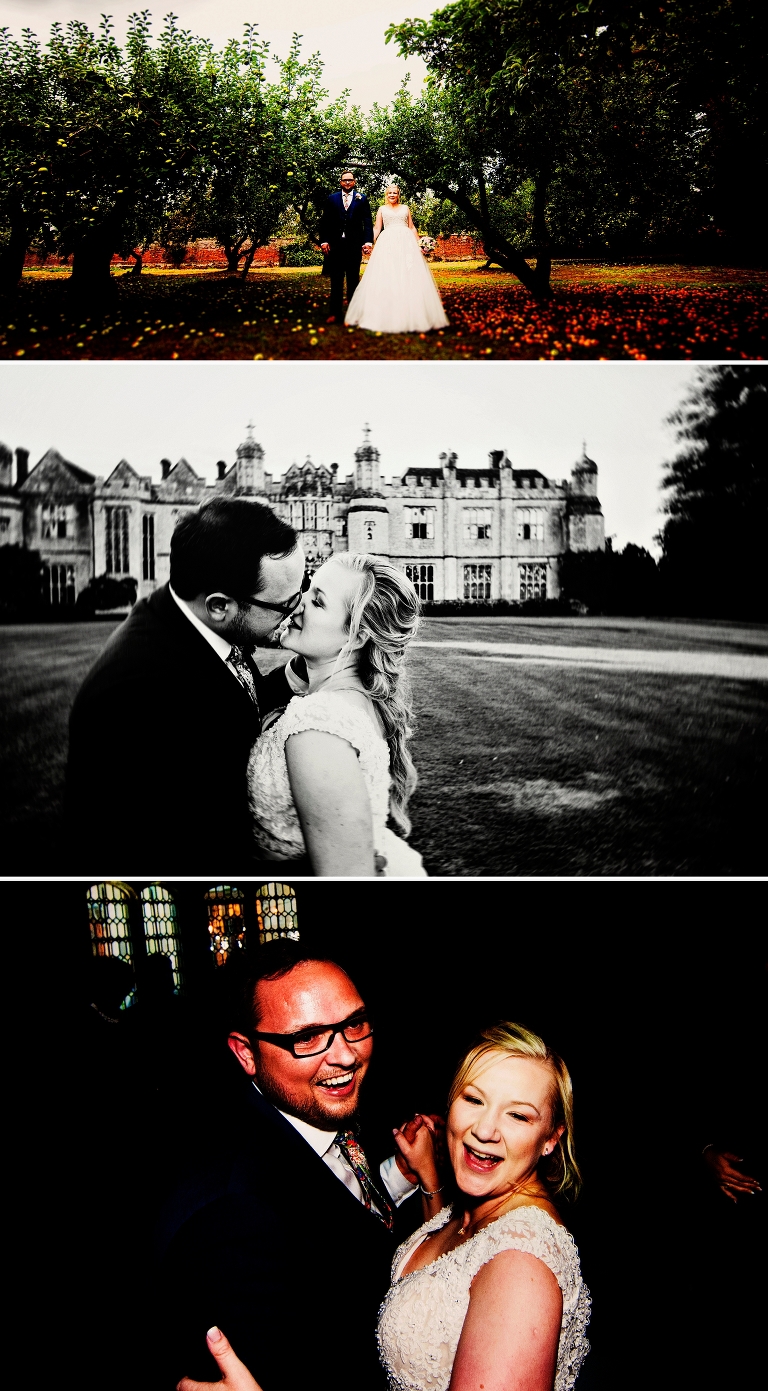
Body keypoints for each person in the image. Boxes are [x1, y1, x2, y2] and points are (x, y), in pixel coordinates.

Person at [177, 1017, 591, 1391]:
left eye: (518, 1116)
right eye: (474, 1099)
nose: (485, 1129)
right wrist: (428, 1178)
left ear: (552, 1138)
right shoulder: (477, 1208)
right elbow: (448, 1268)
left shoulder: (521, 1267)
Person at [160, 946, 424, 1391]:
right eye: (307, 1037)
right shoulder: (237, 1218)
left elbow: (333, 1208)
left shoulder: (318, 1114)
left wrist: (399, 1175)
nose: (345, 1057)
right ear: (246, 1054)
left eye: (354, 1024)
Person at [63, 499, 307, 872]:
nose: (299, 609)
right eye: (285, 604)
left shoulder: (196, 620)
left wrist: (297, 673)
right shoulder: (139, 697)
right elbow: (192, 848)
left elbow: (239, 698)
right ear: (220, 605)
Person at [247, 552, 426, 876]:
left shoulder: (318, 726)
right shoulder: (351, 699)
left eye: (318, 602)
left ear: (356, 636)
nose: (297, 604)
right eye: (307, 589)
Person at [345, 182, 448, 334]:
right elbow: (377, 228)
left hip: (406, 243)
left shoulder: (405, 208)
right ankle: (386, 314)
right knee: (388, 274)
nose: (392, 195)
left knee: (408, 274)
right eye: (390, 193)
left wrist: (420, 243)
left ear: (398, 194)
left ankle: (412, 315)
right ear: (386, 195)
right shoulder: (381, 209)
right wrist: (368, 243)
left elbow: (411, 227)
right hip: (387, 243)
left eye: (395, 192)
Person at [319, 167, 374, 322]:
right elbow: (325, 221)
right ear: (340, 182)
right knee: (336, 280)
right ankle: (335, 314)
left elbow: (367, 222)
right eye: (345, 180)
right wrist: (324, 240)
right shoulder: (332, 198)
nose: (348, 182)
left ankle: (353, 315)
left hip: (354, 245)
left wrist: (368, 241)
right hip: (335, 245)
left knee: (353, 280)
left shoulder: (361, 198)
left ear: (354, 182)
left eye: (350, 180)